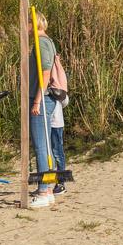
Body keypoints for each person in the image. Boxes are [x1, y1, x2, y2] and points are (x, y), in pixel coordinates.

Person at [27, 9, 60, 198]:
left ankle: (44, 189)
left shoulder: (41, 43)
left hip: (41, 99)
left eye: (27, 23)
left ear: (34, 23)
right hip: (43, 98)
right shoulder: (46, 41)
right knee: (45, 144)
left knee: (41, 145)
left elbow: (45, 73)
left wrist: (37, 101)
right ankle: (48, 185)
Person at [44, 48, 71, 182]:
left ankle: (60, 182)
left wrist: (55, 93)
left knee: (57, 152)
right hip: (47, 123)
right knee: (49, 153)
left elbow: (65, 101)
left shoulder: (56, 86)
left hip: (55, 123)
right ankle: (51, 181)